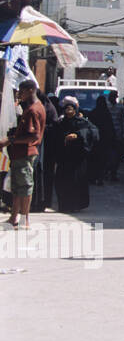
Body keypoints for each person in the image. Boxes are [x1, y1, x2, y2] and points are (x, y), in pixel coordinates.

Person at [0, 80, 46, 230]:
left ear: (31, 90)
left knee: (25, 187)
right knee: (17, 187)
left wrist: (10, 140)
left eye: (23, 91)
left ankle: (24, 220)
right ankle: (14, 217)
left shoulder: (33, 110)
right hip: (19, 154)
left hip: (25, 153)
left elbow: (33, 136)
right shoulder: (32, 108)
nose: (20, 94)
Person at [49, 96, 98, 213]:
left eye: (71, 109)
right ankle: (64, 205)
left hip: (77, 159)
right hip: (64, 158)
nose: (68, 112)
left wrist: (78, 135)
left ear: (76, 110)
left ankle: (76, 204)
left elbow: (93, 133)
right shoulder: (61, 123)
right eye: (67, 109)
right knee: (62, 182)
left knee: (76, 181)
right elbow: (54, 137)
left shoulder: (83, 122)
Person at [88, 94, 116, 186]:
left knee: (94, 160)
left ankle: (92, 178)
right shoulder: (106, 114)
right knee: (102, 160)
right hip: (104, 141)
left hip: (96, 141)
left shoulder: (93, 113)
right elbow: (110, 128)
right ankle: (100, 178)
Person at [106, 91, 124, 182]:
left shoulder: (120, 107)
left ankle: (113, 173)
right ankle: (108, 172)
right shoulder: (106, 107)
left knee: (117, 155)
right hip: (108, 135)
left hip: (118, 135)